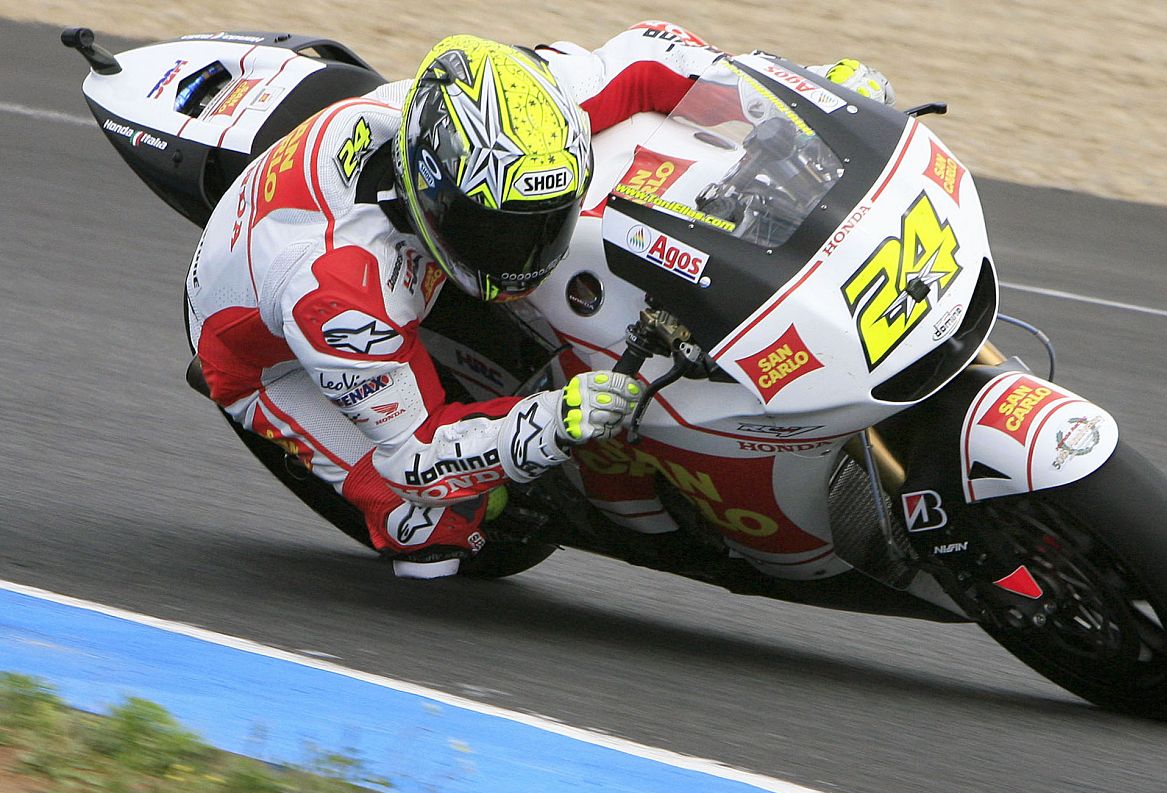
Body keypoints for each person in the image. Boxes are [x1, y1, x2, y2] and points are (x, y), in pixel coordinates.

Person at [184, 23, 892, 578]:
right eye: (500, 232)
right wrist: (556, 421)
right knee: (435, 522)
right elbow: (415, 453)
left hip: (392, 251)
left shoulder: (530, 106)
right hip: (269, 356)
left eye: (540, 225)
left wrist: (797, 102)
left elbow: (649, 59)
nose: (527, 251)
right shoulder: (340, 297)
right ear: (435, 197)